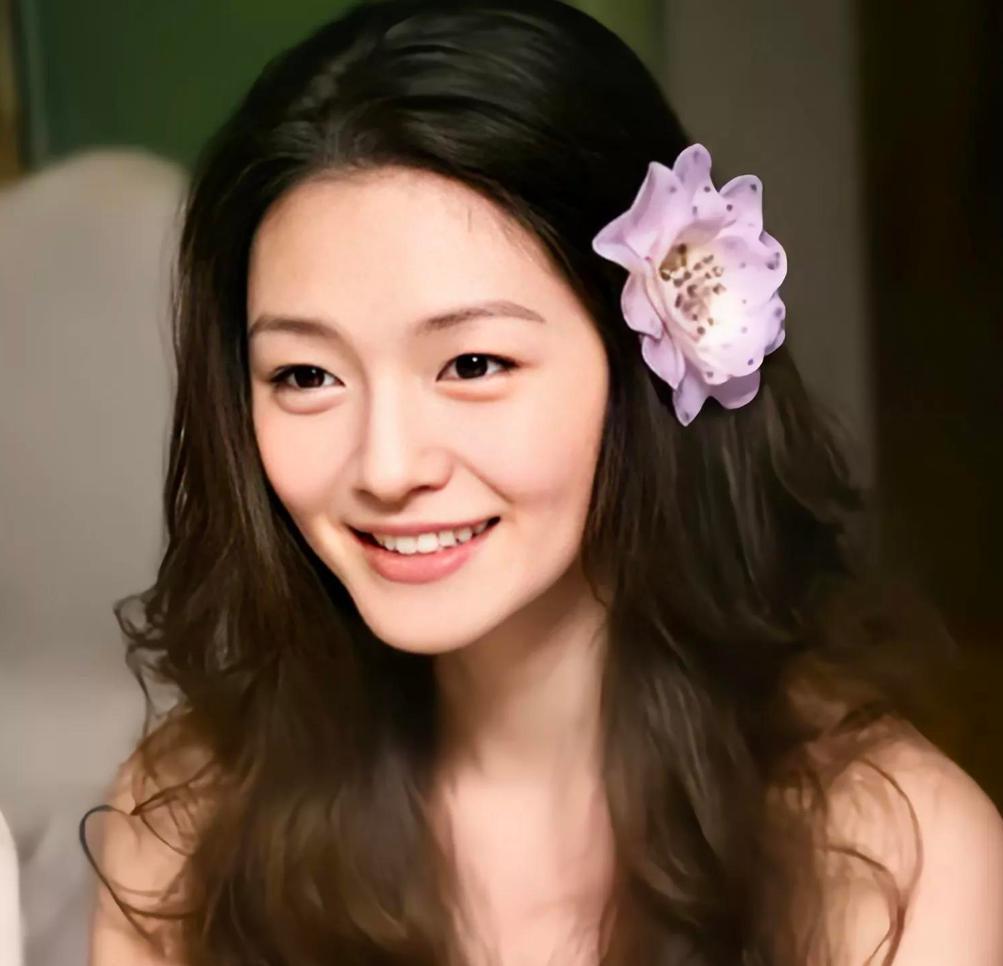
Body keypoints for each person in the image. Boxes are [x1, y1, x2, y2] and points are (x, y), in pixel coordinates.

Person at [83, 0, 1003, 963]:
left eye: (473, 364)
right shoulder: (188, 823)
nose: (386, 468)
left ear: (644, 361)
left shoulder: (890, 857)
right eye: (306, 376)